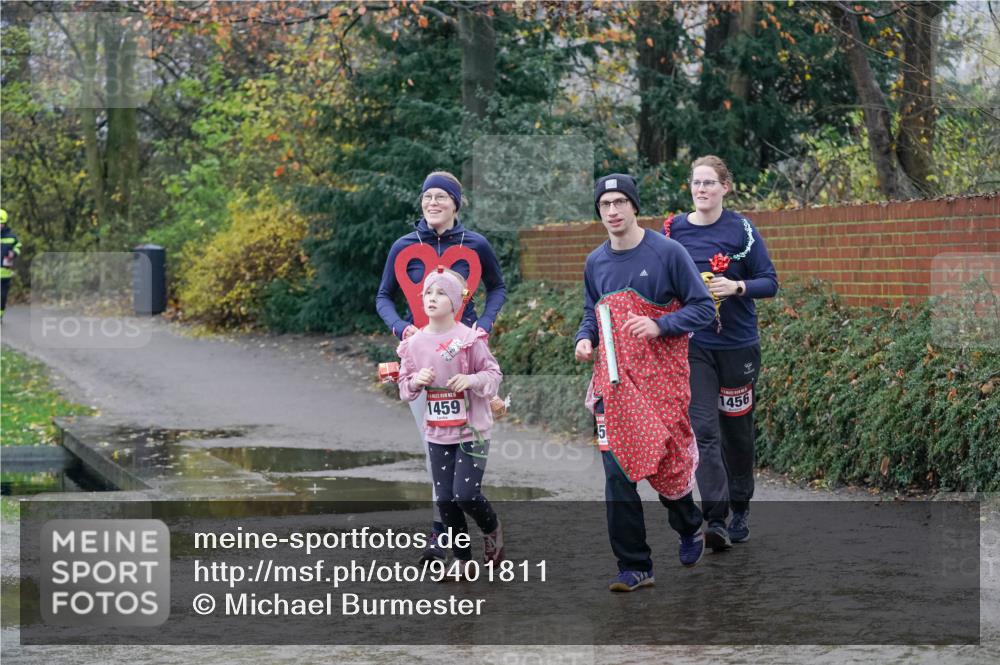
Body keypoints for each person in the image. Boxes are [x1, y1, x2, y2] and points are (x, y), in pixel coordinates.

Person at [575, 173, 717, 592]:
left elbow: (704, 309)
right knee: (617, 476)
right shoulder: (595, 262)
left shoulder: (668, 253)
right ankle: (634, 566)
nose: (613, 211)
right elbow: (591, 312)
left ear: (635, 206)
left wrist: (660, 325)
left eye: (620, 202)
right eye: (605, 204)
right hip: (613, 387)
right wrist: (585, 338)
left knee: (665, 466)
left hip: (662, 383)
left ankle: (689, 524)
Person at [375, 171, 507, 563]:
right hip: (422, 355)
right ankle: (442, 533)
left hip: (465, 353)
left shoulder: (475, 245)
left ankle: (453, 530)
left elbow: (497, 287)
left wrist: (483, 325)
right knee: (432, 442)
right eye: (427, 196)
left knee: (464, 436)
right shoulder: (403, 246)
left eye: (441, 197)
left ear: (456, 203)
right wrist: (402, 328)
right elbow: (384, 296)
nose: (433, 203)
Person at [662, 155, 779, 551]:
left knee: (736, 433)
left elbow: (770, 281)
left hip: (738, 345)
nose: (701, 190)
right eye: (696, 183)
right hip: (695, 347)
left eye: (709, 183)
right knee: (705, 431)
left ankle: (741, 505)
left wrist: (736, 287)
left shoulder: (742, 230)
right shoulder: (673, 230)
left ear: (725, 187)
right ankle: (716, 519)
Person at [396, 267, 505, 569]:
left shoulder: (469, 339)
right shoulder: (415, 344)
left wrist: (470, 381)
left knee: (466, 495)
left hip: (473, 430)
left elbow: (493, 374)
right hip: (437, 432)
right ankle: (462, 560)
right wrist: (417, 380)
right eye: (429, 292)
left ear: (455, 302)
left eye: (441, 293)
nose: (432, 298)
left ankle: (492, 529)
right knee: (445, 500)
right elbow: (404, 388)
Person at [1, 209, 22, 322]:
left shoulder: (11, 237)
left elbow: (18, 247)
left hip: (5, 274)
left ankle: (0, 315)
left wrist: (13, 253)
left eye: (1, 223)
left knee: (2, 297)